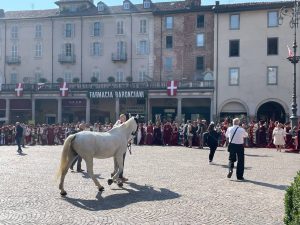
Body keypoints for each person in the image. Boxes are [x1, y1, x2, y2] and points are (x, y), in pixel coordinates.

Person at [113, 114, 128, 182]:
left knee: (122, 161)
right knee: (116, 160)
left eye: (124, 118)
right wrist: (121, 125)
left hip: (123, 145)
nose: (124, 119)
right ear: (120, 118)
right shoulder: (118, 122)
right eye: (122, 117)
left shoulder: (127, 124)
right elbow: (114, 128)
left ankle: (120, 176)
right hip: (116, 145)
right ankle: (115, 174)